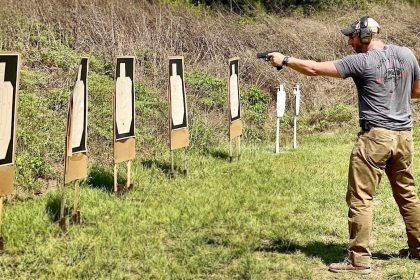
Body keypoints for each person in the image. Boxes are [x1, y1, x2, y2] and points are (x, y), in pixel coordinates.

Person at [267, 16, 420, 274]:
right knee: (407, 195)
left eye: (352, 36)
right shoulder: (406, 54)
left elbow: (314, 69)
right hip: (404, 136)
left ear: (364, 36)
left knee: (361, 198)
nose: (349, 41)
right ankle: (418, 249)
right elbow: (417, 91)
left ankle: (358, 261)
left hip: (375, 138)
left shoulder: (362, 61)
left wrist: (285, 60)